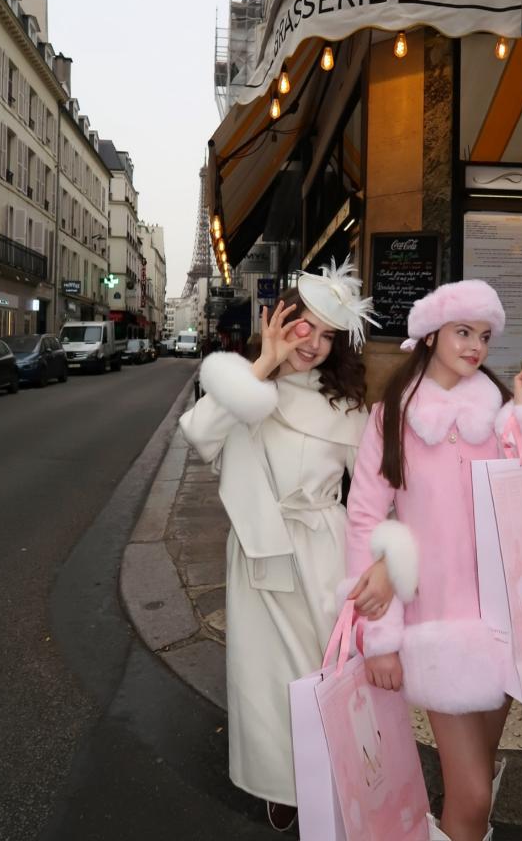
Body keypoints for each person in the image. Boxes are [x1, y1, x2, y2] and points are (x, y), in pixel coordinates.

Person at [345, 280, 522, 841]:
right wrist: (381, 638)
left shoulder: (498, 415)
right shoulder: (390, 417)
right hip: (437, 626)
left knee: (478, 780)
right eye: (463, 332)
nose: (474, 346)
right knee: (471, 792)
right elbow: (365, 523)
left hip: (506, 619)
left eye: (484, 336)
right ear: (431, 334)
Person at [179, 258, 378, 832]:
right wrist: (262, 363)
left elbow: (367, 494)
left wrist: (377, 566)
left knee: (328, 676)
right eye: (302, 326)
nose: (313, 343)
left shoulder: (345, 401)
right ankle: (283, 783)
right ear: (277, 319)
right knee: (271, 682)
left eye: (327, 334)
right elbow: (199, 434)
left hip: (324, 553)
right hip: (260, 555)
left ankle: (338, 775)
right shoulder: (243, 388)